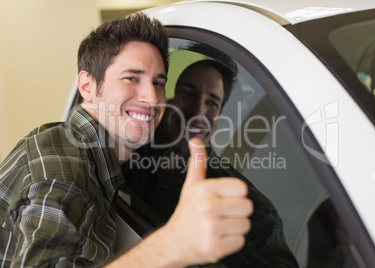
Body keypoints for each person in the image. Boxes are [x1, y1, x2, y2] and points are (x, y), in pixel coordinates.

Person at [0, 13, 253, 267]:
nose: (152, 99)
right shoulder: (64, 173)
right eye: (132, 78)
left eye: (158, 83)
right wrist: (170, 244)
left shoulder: (89, 149)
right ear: (87, 86)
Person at [124, 59, 299, 267]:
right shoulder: (132, 148)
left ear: (218, 119)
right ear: (169, 100)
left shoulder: (246, 202)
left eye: (212, 103)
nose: (197, 111)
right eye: (188, 93)